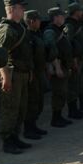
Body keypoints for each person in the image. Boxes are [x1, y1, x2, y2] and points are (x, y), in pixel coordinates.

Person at [0, 0, 33, 154]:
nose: (24, 10)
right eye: (21, 7)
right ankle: (7, 141)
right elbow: (0, 56)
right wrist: (5, 76)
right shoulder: (7, 30)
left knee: (20, 109)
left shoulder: (20, 27)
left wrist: (29, 71)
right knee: (10, 109)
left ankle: (15, 137)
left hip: (22, 74)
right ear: (12, 9)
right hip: (12, 75)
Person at [43, 7, 73, 127]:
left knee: (62, 92)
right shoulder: (50, 31)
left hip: (62, 65)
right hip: (58, 66)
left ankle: (59, 116)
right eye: (61, 16)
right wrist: (56, 67)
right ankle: (55, 119)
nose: (64, 18)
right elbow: (50, 50)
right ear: (55, 17)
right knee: (58, 92)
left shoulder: (58, 30)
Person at [23, 9, 48, 140]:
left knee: (38, 100)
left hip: (39, 72)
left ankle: (34, 126)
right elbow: (28, 56)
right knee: (31, 101)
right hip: (32, 73)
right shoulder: (27, 36)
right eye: (38, 20)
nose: (40, 23)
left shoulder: (37, 34)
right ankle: (28, 129)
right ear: (31, 21)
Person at [63, 2, 83, 120]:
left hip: (79, 58)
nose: (82, 12)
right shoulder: (70, 25)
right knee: (72, 85)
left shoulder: (76, 24)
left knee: (78, 84)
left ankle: (76, 108)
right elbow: (68, 43)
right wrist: (73, 60)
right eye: (80, 10)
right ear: (76, 12)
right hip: (74, 59)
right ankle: (72, 110)